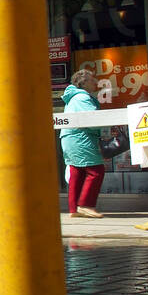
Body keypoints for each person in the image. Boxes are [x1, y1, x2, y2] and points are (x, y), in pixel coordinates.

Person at [61, 68, 106, 218]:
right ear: (84, 82)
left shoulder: (73, 98)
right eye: (92, 79)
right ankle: (86, 204)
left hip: (69, 138)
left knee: (77, 171)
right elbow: (93, 120)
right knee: (96, 170)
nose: (96, 81)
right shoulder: (82, 98)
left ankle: (74, 208)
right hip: (81, 138)